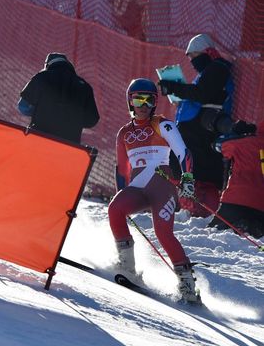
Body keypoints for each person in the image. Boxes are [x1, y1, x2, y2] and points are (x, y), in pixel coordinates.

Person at [108, 78, 201, 304]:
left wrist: (187, 178)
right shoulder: (123, 133)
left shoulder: (163, 124)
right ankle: (127, 266)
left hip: (162, 188)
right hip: (138, 189)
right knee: (115, 209)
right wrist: (122, 194)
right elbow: (122, 170)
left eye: (148, 100)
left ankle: (187, 283)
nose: (143, 104)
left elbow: (183, 153)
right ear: (130, 102)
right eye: (137, 99)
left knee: (162, 232)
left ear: (154, 103)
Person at [157, 34, 235, 217]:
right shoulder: (207, 72)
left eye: (194, 56)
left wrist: (175, 88)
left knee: (196, 170)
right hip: (195, 131)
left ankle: (196, 207)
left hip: (203, 132)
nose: (192, 61)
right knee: (186, 168)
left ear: (206, 52)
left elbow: (203, 94)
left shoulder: (218, 68)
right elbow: (199, 94)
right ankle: (187, 205)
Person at [18, 52, 100, 144]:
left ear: (47, 65)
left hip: (40, 139)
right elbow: (92, 120)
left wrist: (42, 112)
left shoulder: (41, 77)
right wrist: (73, 119)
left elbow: (23, 106)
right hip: (69, 144)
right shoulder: (84, 86)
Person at [208, 121, 264, 238]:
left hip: (234, 198)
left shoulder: (241, 142)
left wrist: (235, 134)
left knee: (213, 232)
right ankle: (251, 225)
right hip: (260, 204)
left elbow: (217, 145)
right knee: (257, 230)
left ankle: (239, 224)